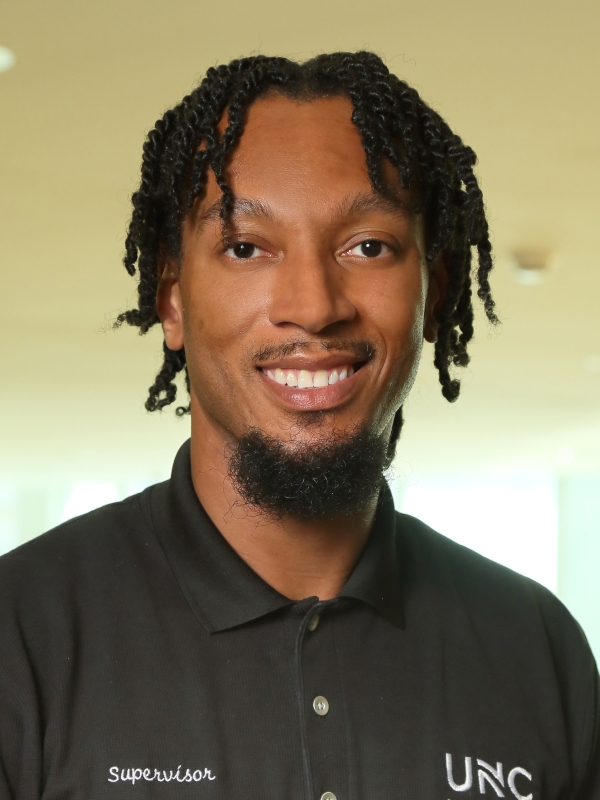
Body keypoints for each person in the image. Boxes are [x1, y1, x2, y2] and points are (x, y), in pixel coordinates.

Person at [0, 52, 598, 800]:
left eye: (368, 246)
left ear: (434, 291)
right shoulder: (20, 634)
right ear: (172, 299)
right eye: (246, 247)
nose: (314, 306)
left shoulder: (537, 651)